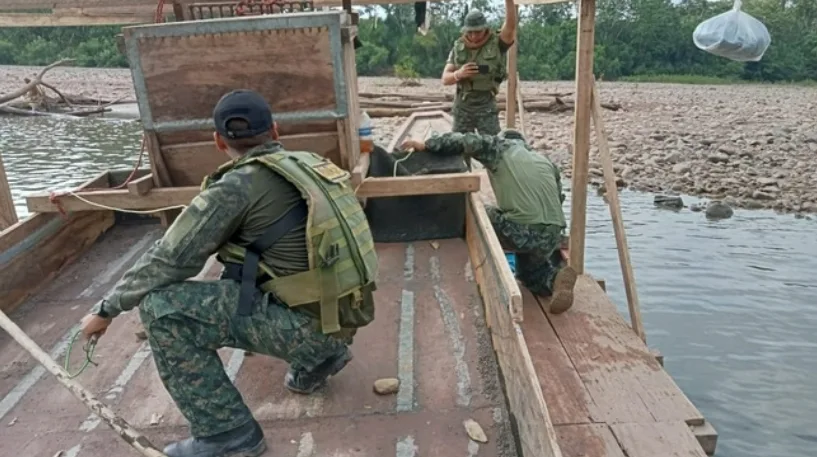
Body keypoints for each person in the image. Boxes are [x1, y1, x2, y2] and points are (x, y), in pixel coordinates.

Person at [79, 89, 379, 457]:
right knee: (241, 274)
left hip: (310, 329)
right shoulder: (310, 164)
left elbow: (170, 260)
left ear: (218, 140)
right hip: (345, 318)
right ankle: (319, 358)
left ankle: (226, 434)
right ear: (276, 130)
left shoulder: (237, 186)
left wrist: (106, 309)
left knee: (161, 309)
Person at [400, 129, 577, 313]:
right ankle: (555, 279)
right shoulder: (545, 161)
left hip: (520, 229)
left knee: (478, 211)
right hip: (552, 233)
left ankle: (473, 269)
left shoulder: (499, 148)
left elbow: (465, 141)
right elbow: (558, 198)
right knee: (530, 274)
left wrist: (427, 144)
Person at [441, 2, 517, 135]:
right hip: (463, 105)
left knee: (492, 146)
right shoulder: (458, 46)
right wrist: (458, 74)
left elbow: (510, 27)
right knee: (458, 146)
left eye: (477, 32)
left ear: (485, 29)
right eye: (470, 32)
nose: (474, 36)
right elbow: (445, 79)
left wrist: (509, 2)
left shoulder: (497, 43)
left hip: (486, 105)